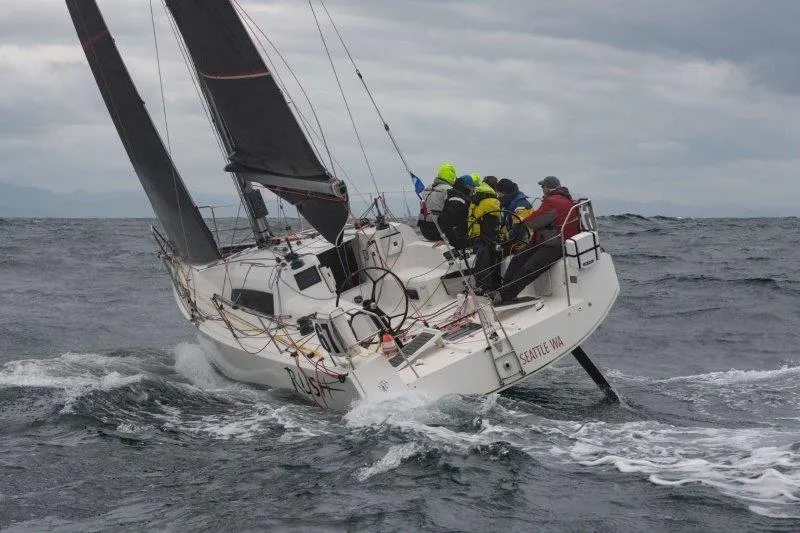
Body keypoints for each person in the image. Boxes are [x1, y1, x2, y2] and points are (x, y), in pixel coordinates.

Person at [496, 176, 580, 303]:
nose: (542, 189)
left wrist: (524, 221)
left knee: (530, 267)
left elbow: (534, 222)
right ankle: (504, 290)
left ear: (547, 188)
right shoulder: (563, 199)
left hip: (556, 244)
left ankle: (506, 295)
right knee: (519, 257)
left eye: (542, 186)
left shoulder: (552, 201)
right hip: (548, 240)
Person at [467, 175, 502, 290]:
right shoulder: (491, 200)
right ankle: (489, 288)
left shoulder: (477, 196)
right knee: (488, 262)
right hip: (487, 236)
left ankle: (482, 286)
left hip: (476, 234)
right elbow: (496, 217)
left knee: (481, 262)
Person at [417, 162, 457, 241]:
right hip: (439, 232)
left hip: (424, 231)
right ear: (452, 176)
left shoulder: (427, 188)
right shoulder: (449, 190)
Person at [437, 174, 474, 250]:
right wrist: (449, 239)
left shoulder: (454, 196)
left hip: (454, 236)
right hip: (458, 240)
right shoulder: (458, 200)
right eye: (471, 188)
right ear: (466, 188)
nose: (472, 190)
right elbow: (450, 221)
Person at [496, 178, 534, 247]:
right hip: (513, 242)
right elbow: (507, 225)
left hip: (524, 244)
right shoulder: (510, 204)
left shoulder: (521, 206)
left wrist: (501, 238)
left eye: (498, 193)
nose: (498, 196)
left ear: (504, 192)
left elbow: (518, 232)